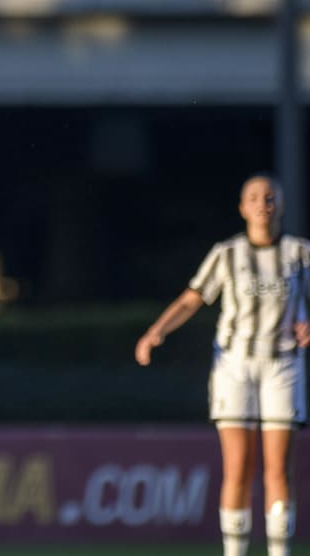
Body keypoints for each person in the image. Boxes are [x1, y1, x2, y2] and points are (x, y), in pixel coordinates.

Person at [135, 173, 310, 556]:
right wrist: (156, 331)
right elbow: (192, 298)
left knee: (277, 469)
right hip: (234, 366)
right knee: (238, 468)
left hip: (282, 365)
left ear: (280, 205)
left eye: (269, 197)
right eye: (254, 198)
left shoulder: (300, 252)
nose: (263, 204)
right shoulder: (227, 253)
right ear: (242, 208)